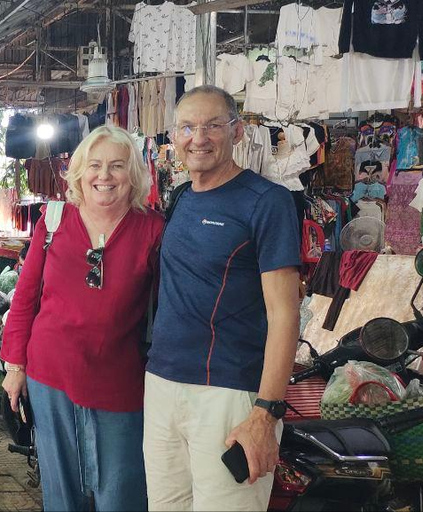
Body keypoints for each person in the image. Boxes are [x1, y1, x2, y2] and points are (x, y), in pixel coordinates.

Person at [144, 85, 301, 511]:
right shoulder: (179, 197)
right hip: (162, 384)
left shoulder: (268, 202)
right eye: (188, 127)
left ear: (236, 132)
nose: (200, 137)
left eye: (213, 125)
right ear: (174, 136)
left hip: (228, 394)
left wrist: (266, 413)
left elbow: (285, 313)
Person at [1, 125, 165, 511]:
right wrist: (15, 365)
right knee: (61, 496)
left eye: (116, 166)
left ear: (134, 175)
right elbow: (25, 297)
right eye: (94, 165)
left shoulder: (153, 229)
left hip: (119, 381)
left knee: (122, 495)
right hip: (50, 375)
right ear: (78, 172)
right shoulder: (54, 220)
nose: (104, 176)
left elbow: (169, 309)